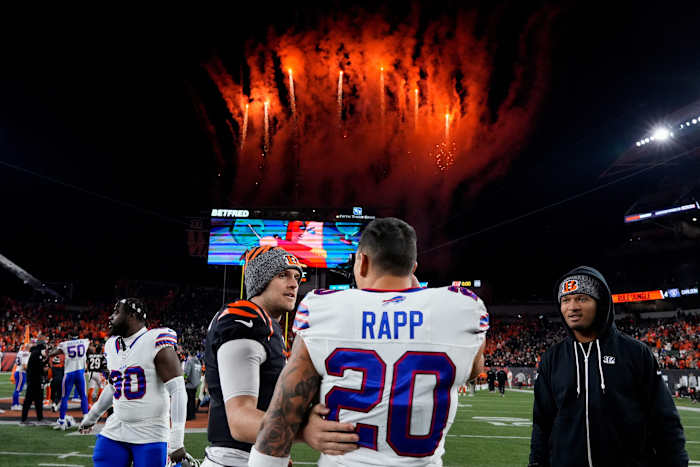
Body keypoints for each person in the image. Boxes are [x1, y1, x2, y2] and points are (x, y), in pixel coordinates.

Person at [250, 217, 488, 467]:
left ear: (362, 262)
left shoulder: (324, 309)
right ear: (413, 267)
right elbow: (474, 369)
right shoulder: (462, 309)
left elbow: (280, 421)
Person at [203, 246, 359, 467]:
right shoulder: (244, 320)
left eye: (297, 276)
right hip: (236, 460)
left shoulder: (267, 326)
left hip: (257, 457)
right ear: (261, 279)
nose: (294, 283)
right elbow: (240, 420)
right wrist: (305, 430)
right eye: (282, 275)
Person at [528, 266, 688, 467]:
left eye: (582, 298)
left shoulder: (635, 353)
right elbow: (542, 423)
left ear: (600, 303)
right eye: (566, 300)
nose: (572, 307)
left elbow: (665, 421)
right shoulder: (552, 358)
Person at [78, 298, 196, 467]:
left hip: (150, 431)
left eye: (117, 312)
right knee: (102, 458)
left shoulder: (155, 341)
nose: (111, 317)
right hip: (117, 428)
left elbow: (177, 390)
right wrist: (92, 416)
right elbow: (114, 386)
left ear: (132, 316)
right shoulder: (111, 345)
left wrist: (177, 439)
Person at [50, 333, 90, 429]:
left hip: (69, 373)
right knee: (83, 396)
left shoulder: (65, 344)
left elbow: (53, 353)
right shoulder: (85, 341)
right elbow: (91, 348)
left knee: (64, 397)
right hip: (80, 373)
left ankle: (61, 421)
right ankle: (86, 419)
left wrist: (50, 352)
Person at [20, 342, 47, 424]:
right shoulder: (37, 354)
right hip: (34, 381)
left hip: (33, 380)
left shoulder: (35, 353)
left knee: (36, 400)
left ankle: (37, 418)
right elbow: (39, 368)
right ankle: (25, 419)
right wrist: (44, 369)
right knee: (31, 400)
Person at [86, 342, 108, 409]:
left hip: (91, 373)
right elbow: (104, 366)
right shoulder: (102, 356)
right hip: (98, 373)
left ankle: (89, 404)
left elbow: (87, 364)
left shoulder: (90, 355)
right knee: (101, 388)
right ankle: (98, 404)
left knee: (91, 389)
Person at [183, 350, 202, 420]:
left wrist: (184, 379)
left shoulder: (189, 362)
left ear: (189, 354)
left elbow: (186, 373)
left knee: (188, 401)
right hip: (196, 383)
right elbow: (200, 374)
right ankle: (193, 415)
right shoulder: (199, 362)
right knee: (192, 400)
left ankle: (188, 416)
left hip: (189, 384)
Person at [11, 344, 30, 410]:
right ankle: (14, 405)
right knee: (18, 390)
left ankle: (16, 404)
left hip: (19, 372)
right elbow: (25, 366)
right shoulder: (26, 353)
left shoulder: (20, 352)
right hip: (21, 373)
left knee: (18, 389)